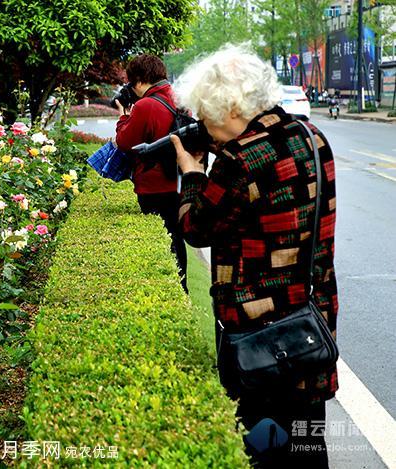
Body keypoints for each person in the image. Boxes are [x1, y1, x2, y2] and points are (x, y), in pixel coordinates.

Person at [171, 45, 338, 468]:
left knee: (265, 447)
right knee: (306, 440)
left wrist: (192, 174)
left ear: (229, 107)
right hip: (309, 318)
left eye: (206, 117)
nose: (205, 130)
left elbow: (196, 228)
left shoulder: (241, 157)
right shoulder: (312, 136)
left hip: (260, 334)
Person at [114, 53, 188, 293]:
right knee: (176, 237)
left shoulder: (146, 105)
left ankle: (168, 290)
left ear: (138, 79)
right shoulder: (179, 98)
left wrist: (124, 117)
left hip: (154, 185)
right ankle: (182, 287)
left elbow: (125, 141)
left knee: (163, 241)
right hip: (179, 179)